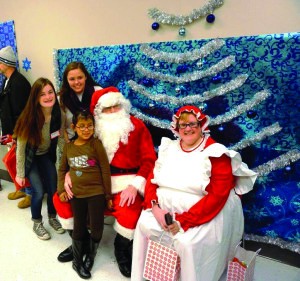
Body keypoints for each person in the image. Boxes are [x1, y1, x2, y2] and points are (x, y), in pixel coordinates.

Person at [131, 105, 258, 281]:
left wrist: (183, 221)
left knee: (187, 243)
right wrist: (155, 208)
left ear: (201, 126)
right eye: (183, 125)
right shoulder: (169, 148)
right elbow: (152, 180)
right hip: (164, 210)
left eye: (193, 124)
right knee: (144, 224)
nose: (188, 129)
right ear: (177, 127)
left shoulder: (216, 153)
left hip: (200, 213)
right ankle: (150, 274)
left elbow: (217, 196)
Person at [61, 86, 157, 278]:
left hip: (126, 182)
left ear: (122, 105)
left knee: (129, 210)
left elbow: (149, 160)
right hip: (93, 179)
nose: (113, 112)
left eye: (116, 106)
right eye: (107, 109)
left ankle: (121, 249)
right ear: (98, 112)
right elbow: (74, 153)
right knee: (61, 200)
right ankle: (81, 242)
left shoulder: (137, 127)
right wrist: (69, 174)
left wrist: (136, 184)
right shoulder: (90, 129)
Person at [57, 110, 112, 279]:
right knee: (79, 228)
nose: (86, 129)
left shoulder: (95, 144)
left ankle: (91, 256)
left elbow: (105, 170)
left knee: (96, 227)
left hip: (96, 193)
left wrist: (108, 196)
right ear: (74, 127)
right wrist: (61, 190)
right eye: (82, 126)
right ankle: (76, 261)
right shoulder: (69, 147)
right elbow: (62, 169)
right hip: (77, 195)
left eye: (89, 126)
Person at [14, 77, 65, 240]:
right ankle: (37, 222)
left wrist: (65, 165)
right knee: (38, 190)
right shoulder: (28, 117)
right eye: (42, 94)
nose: (48, 96)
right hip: (31, 158)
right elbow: (20, 149)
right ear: (35, 97)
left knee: (53, 188)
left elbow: (62, 139)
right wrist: (20, 173)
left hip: (45, 155)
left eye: (50, 92)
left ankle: (52, 217)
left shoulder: (59, 114)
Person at [0, 45, 31, 207]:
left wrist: (16, 134)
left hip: (18, 132)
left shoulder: (19, 83)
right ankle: (20, 188)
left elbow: (22, 112)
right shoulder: (7, 81)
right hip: (9, 131)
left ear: (6, 63)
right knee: (13, 162)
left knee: (23, 161)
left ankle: (30, 193)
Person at [58, 61, 102, 142]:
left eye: (80, 77)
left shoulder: (98, 92)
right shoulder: (61, 99)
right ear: (66, 80)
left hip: (96, 142)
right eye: (72, 79)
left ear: (85, 77)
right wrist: (68, 146)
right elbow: (61, 127)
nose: (76, 82)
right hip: (73, 143)